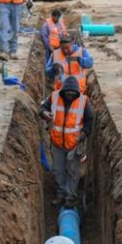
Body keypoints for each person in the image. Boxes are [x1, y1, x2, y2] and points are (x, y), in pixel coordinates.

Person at [40, 76, 95, 208]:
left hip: (74, 144)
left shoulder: (83, 101)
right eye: (68, 94)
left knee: (73, 171)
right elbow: (42, 108)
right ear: (63, 92)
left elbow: (90, 119)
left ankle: (70, 197)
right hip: (57, 143)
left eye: (72, 94)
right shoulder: (54, 97)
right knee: (58, 170)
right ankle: (61, 193)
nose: (70, 96)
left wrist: (84, 133)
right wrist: (45, 113)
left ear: (77, 93)